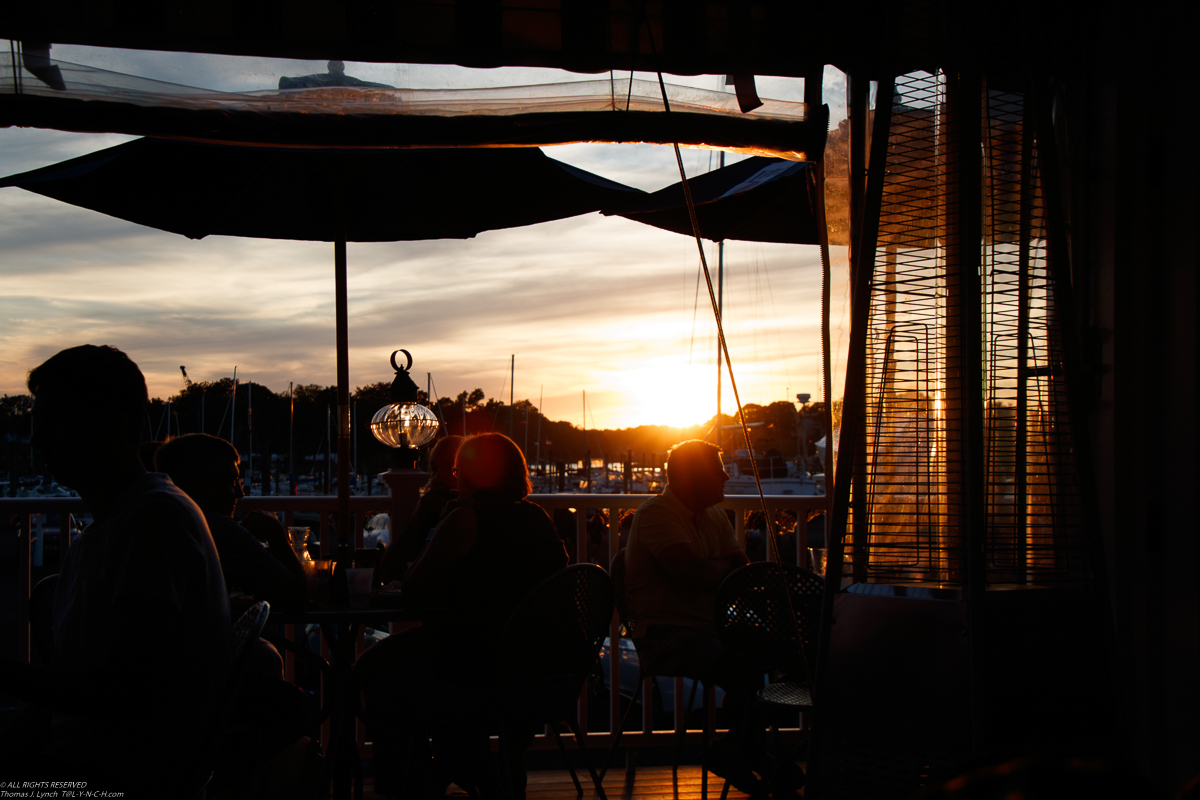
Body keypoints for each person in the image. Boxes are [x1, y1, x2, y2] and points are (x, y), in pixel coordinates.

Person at [0, 345, 231, 794]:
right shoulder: (118, 525)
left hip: (119, 780)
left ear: (114, 425)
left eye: (56, 422)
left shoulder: (153, 524)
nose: (38, 441)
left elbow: (117, 693)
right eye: (37, 424)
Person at [355, 432, 568, 799]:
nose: (450, 478)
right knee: (384, 665)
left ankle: (414, 786)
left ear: (469, 474)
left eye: (454, 470)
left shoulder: (466, 520)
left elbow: (412, 594)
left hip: (481, 671)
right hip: (540, 673)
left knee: (372, 676)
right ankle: (471, 770)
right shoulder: (537, 518)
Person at [625, 439, 771, 793]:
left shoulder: (713, 515)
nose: (725, 474)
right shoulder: (656, 514)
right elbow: (694, 574)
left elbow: (740, 569)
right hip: (664, 636)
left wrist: (713, 567)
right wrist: (716, 568)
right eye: (717, 468)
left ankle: (741, 751)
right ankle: (742, 753)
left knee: (777, 653)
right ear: (693, 477)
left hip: (709, 629)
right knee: (745, 669)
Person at [155, 432, 307, 612]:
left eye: (239, 482)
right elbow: (297, 596)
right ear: (196, 483)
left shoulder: (157, 519)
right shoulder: (217, 528)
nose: (239, 493)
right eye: (230, 480)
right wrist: (276, 534)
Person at [379, 434, 464, 583]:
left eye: (449, 468)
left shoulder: (471, 516)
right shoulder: (428, 512)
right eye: (434, 468)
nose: (437, 477)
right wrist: (418, 517)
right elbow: (388, 572)